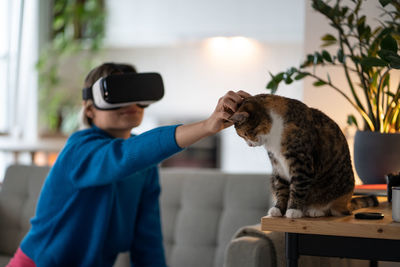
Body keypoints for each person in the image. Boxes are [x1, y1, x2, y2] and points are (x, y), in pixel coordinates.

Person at [7, 62, 250, 267]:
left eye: (135, 94)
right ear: (90, 110)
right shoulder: (79, 149)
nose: (131, 103)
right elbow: (123, 157)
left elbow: (147, 240)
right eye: (118, 95)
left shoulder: (145, 164)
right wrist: (206, 127)